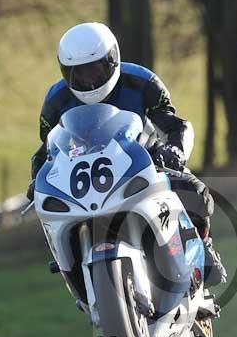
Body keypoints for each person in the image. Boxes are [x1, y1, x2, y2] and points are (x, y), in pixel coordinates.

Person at [28, 21, 226, 286]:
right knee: (51, 216)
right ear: (66, 72)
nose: (87, 80)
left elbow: (173, 124)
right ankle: (75, 272)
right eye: (78, 73)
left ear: (112, 61)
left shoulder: (141, 81)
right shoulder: (56, 101)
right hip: (85, 179)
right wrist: (36, 182)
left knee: (195, 191)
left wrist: (175, 151)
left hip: (144, 162)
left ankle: (202, 246)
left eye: (94, 70)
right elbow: (47, 150)